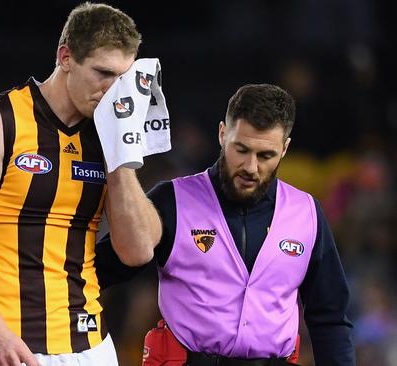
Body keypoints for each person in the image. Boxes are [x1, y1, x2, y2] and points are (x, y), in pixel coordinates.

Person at [0, 2, 161, 366]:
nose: (111, 90)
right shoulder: (0, 120)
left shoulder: (109, 133)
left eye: (121, 78)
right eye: (102, 73)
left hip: (93, 344)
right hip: (12, 344)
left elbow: (139, 251)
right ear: (65, 57)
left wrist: (121, 152)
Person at [97, 84, 355, 365]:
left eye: (265, 155)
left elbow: (329, 318)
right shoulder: (172, 201)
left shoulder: (307, 214)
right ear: (222, 134)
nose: (250, 167)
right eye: (241, 149)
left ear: (285, 149)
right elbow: (98, 271)